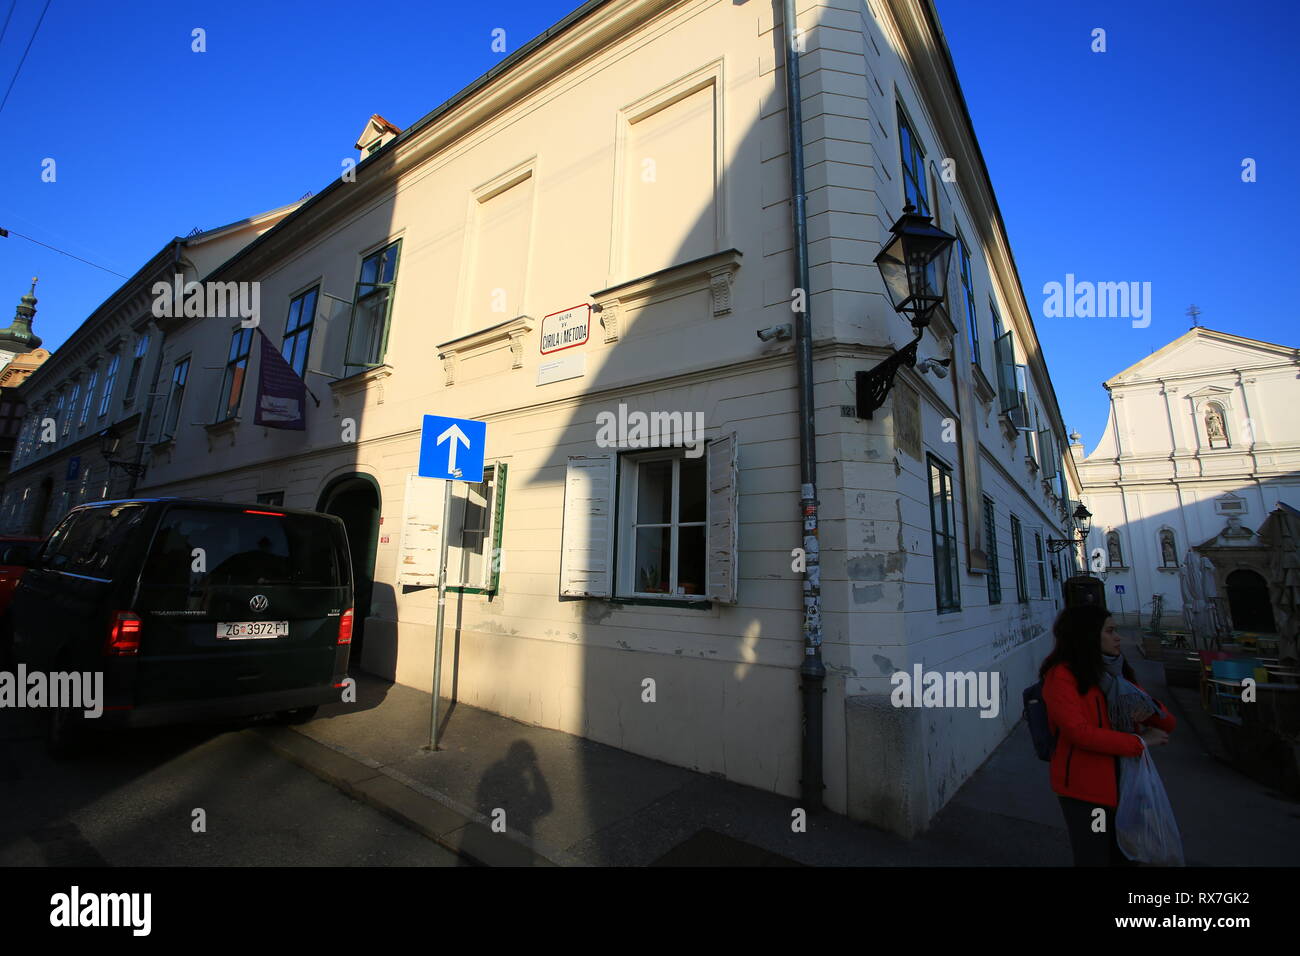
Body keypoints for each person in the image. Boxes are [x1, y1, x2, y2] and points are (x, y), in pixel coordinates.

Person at [1039, 605, 1176, 866]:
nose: (1118, 637)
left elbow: (1167, 723)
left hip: (1128, 785)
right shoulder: (1061, 676)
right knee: (1096, 858)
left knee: (1127, 857)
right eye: (1110, 631)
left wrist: (1149, 709)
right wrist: (1139, 741)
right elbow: (1079, 733)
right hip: (1086, 790)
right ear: (1088, 635)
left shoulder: (1116, 674)